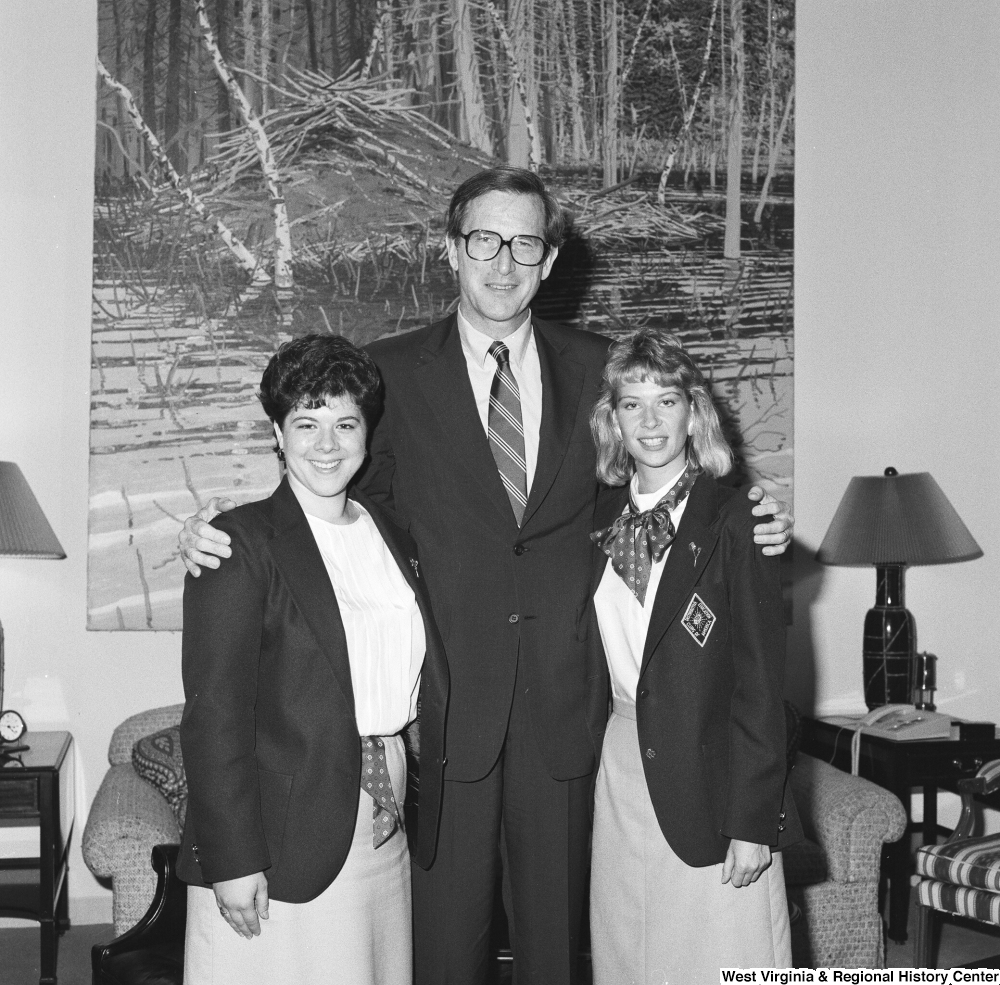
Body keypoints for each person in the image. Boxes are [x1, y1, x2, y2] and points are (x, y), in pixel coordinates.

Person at [179, 166, 793, 985]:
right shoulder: (389, 374)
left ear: (550, 258)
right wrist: (214, 530)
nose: (504, 263)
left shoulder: (601, 372)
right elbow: (328, 497)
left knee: (557, 953)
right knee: (440, 955)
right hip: (445, 718)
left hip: (566, 714)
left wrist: (755, 516)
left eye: (526, 242)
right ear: (450, 249)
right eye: (484, 240)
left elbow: (663, 489)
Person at [177, 335, 448, 985]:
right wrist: (233, 858)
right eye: (307, 422)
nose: (327, 443)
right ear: (278, 429)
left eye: (344, 422)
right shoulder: (237, 543)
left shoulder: (392, 534)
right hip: (278, 831)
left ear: (366, 430)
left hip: (381, 821)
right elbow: (214, 713)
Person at [587, 328, 801, 984]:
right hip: (620, 773)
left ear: (694, 411)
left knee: (717, 958)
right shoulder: (593, 519)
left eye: (667, 401)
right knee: (629, 954)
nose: (650, 421)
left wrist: (754, 821)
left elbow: (763, 687)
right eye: (632, 404)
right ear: (612, 420)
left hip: (712, 779)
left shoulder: (738, 521)